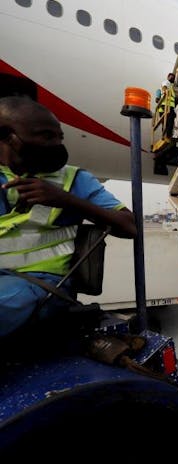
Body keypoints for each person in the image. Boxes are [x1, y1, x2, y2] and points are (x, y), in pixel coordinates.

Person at [0, 96, 137, 338]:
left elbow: (130, 226)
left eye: (59, 137)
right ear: (8, 137)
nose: (56, 144)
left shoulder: (73, 180)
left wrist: (65, 200)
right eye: (46, 136)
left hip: (40, 285)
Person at [156, 72, 176, 138]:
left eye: (173, 77)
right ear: (168, 77)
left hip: (166, 106)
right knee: (169, 121)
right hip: (166, 105)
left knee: (166, 122)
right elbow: (164, 87)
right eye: (171, 76)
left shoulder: (171, 87)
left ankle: (165, 136)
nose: (172, 78)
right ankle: (168, 136)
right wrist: (165, 91)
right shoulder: (167, 82)